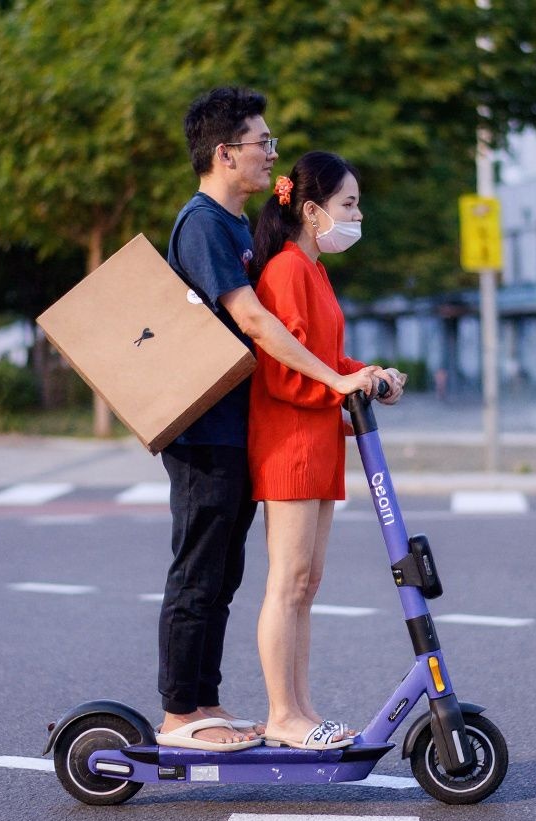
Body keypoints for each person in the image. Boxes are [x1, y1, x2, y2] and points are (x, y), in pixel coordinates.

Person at [155, 89, 381, 752]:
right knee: (198, 567)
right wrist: (336, 378)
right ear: (226, 154)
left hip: (234, 425)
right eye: (264, 143)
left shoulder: (233, 227)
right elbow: (254, 322)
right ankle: (178, 717)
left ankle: (204, 702)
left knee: (223, 571)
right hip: (199, 426)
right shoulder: (201, 222)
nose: (272, 155)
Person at [247, 152, 406, 750]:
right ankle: (282, 714)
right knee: (288, 581)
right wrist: (344, 383)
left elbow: (321, 359)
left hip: (315, 442)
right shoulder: (286, 272)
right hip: (288, 442)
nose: (357, 215)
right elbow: (285, 373)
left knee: (307, 583)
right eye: (348, 205)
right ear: (311, 212)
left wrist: (366, 373)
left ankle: (301, 710)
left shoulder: (312, 271)